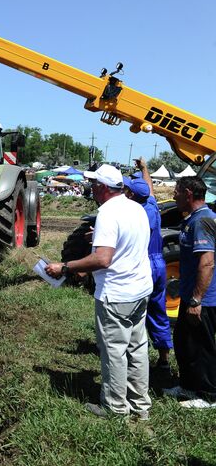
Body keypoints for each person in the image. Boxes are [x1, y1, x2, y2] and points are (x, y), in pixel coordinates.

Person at [46, 164, 152, 419]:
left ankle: (115, 408)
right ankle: (140, 406)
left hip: (117, 294)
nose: (91, 189)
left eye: (94, 185)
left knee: (114, 352)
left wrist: (65, 267)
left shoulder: (106, 213)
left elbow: (103, 259)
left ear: (103, 188)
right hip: (140, 290)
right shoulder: (136, 208)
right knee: (137, 349)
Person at [165, 176, 216, 404]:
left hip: (203, 299)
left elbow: (207, 263)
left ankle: (208, 395)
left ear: (188, 193)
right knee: (184, 342)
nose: (173, 195)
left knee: (202, 346)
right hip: (189, 295)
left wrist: (196, 300)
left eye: (176, 191)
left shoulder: (203, 221)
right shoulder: (193, 219)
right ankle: (188, 386)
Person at [122, 171, 172, 372]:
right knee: (159, 310)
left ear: (132, 195)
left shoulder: (138, 213)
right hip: (159, 263)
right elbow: (150, 188)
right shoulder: (152, 204)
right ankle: (164, 359)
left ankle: (131, 356)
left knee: (132, 310)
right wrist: (144, 168)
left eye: (126, 190)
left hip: (145, 263)